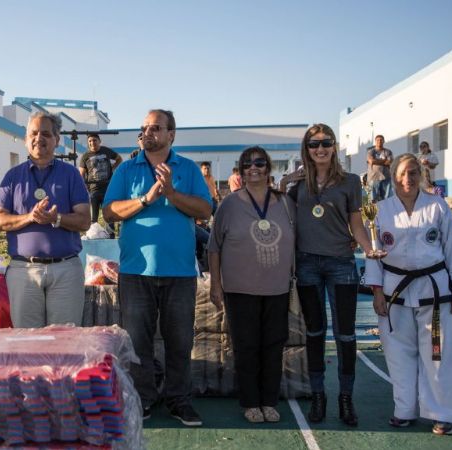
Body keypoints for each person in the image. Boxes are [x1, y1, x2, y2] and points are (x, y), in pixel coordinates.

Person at [103, 109, 212, 427]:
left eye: (156, 128)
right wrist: (147, 199)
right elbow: (109, 212)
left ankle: (179, 400)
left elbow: (205, 208)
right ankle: (144, 399)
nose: (148, 133)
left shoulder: (188, 169)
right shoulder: (126, 171)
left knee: (180, 341)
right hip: (136, 272)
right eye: (144, 128)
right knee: (138, 341)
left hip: (179, 272)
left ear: (171, 135)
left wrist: (172, 194)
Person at [365, 153, 452, 436]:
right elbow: (374, 255)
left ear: (421, 175)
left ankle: (443, 414)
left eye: (413, 173)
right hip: (394, 290)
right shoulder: (381, 210)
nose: (408, 179)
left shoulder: (437, 207)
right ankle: (404, 410)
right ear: (393, 176)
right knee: (398, 353)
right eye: (402, 173)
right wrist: (376, 291)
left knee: (439, 354)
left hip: (435, 290)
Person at [289, 123, 382, 427]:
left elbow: (357, 224)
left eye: (325, 143)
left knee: (345, 333)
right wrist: (289, 177)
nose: (320, 149)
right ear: (307, 148)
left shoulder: (351, 182)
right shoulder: (296, 184)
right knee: (315, 332)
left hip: (341, 263)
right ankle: (318, 395)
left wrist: (368, 248)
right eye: (314, 144)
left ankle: (345, 397)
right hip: (306, 264)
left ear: (334, 146)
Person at [208, 147, 295, 424]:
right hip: (239, 289)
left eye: (259, 163)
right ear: (241, 170)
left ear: (268, 168)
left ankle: (269, 400)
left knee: (273, 345)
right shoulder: (229, 204)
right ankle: (250, 401)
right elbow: (213, 247)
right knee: (246, 346)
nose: (253, 168)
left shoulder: (285, 203)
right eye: (247, 164)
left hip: (277, 288)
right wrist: (215, 285)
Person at [0, 112, 90, 328]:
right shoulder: (12, 177)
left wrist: (57, 218)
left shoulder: (71, 174)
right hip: (23, 270)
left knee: (64, 341)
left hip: (65, 269)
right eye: (33, 133)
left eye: (45, 133)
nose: (39, 138)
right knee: (27, 343)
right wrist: (30, 217)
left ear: (57, 139)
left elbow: (85, 221)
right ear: (26, 139)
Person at [79, 133, 122, 225]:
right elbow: (81, 174)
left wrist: (113, 168)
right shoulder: (85, 156)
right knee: (94, 217)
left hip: (107, 188)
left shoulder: (106, 151)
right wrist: (83, 188)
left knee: (109, 214)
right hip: (93, 190)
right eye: (90, 141)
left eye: (94, 140)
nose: (92, 142)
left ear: (99, 141)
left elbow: (119, 159)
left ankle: (111, 235)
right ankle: (94, 235)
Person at [366, 135, 393, 201]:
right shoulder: (370, 151)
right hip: (373, 178)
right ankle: (375, 212)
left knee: (387, 199)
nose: (379, 141)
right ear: (375, 141)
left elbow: (389, 162)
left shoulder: (388, 152)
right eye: (377, 140)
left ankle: (386, 211)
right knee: (373, 199)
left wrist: (376, 161)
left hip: (386, 177)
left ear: (383, 141)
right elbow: (371, 161)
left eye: (381, 140)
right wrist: (384, 160)